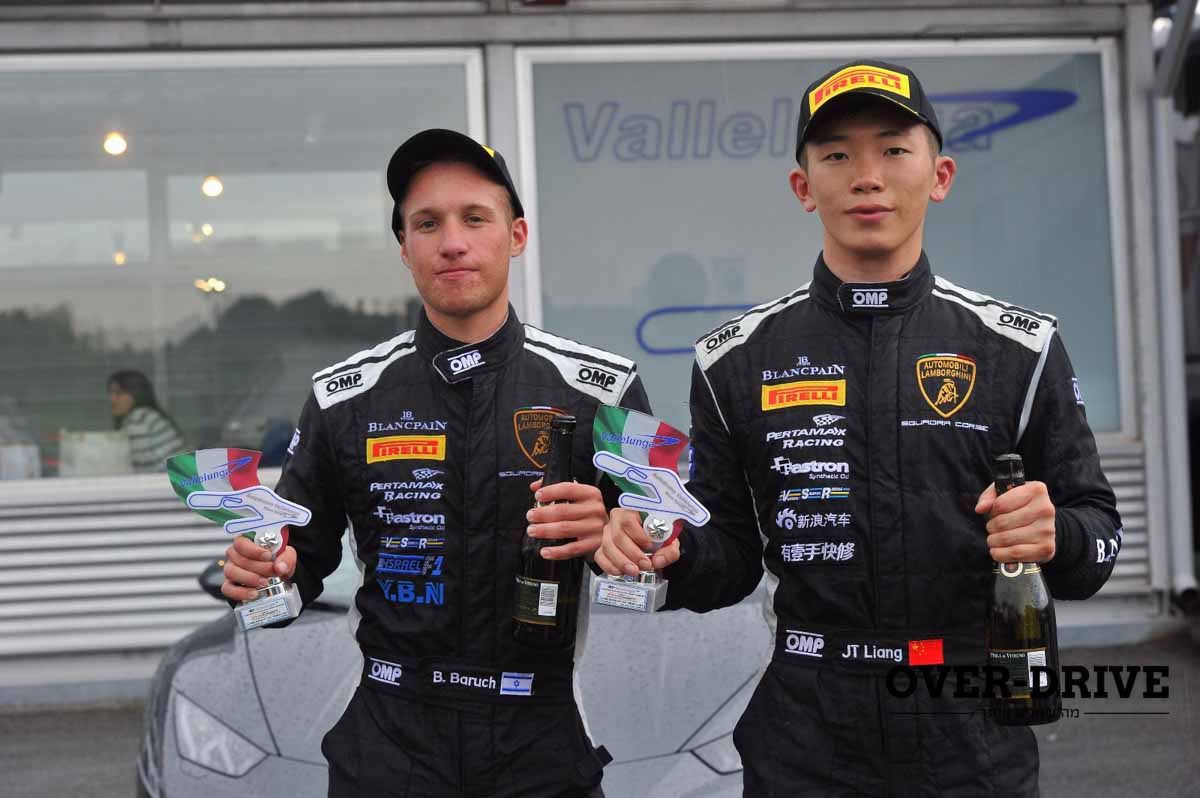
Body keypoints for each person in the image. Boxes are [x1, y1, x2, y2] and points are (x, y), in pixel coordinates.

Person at [598, 60, 1124, 796]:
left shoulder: (1019, 349)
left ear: (939, 176)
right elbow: (730, 560)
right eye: (838, 155)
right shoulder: (734, 359)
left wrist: (1056, 533)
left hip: (970, 725)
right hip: (807, 731)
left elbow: (1097, 540)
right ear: (802, 186)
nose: (867, 176)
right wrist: (667, 550)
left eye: (894, 150)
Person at [220, 129, 650, 798]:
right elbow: (294, 568)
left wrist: (619, 539)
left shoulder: (603, 389)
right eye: (427, 223)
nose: (452, 241)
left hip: (541, 741)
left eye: (475, 218)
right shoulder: (343, 397)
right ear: (404, 247)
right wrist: (259, 579)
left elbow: (670, 558)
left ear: (516, 236)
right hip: (391, 741)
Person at [107, 369, 186, 472]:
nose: (112, 399)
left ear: (135, 393)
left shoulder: (138, 420)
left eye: (118, 393)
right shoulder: (148, 415)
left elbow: (143, 472)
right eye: (111, 393)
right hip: (185, 478)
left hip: (176, 480)